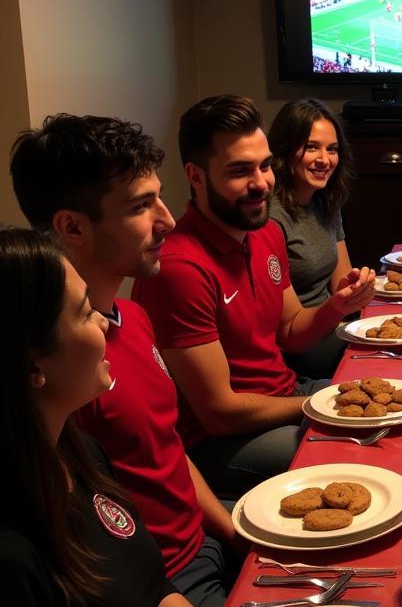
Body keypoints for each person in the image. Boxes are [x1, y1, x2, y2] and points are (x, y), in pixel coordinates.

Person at [0, 228, 239, 607]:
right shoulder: (10, 557)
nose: (109, 324)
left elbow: (144, 587)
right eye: (85, 314)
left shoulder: (76, 454)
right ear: (33, 366)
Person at [10, 115, 242, 607]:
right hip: (160, 583)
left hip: (206, 541)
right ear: (72, 226)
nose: (169, 220)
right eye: (141, 206)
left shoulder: (133, 316)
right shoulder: (65, 368)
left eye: (160, 197)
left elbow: (169, 446)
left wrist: (233, 531)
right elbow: (79, 551)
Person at [133, 95, 376, 499]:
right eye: (240, 171)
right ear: (195, 175)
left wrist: (338, 305)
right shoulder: (179, 269)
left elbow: (291, 331)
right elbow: (219, 414)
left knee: (393, 408)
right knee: (360, 452)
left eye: (264, 166)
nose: (262, 183)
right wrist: (319, 402)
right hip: (222, 443)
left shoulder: (265, 233)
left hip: (286, 394)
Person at [268, 98, 356, 380]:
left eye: (332, 149)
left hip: (335, 323)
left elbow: (343, 282)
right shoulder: (271, 217)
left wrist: (360, 288)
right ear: (285, 149)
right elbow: (289, 334)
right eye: (311, 147)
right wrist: (343, 308)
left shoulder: (326, 200)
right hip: (302, 345)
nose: (324, 160)